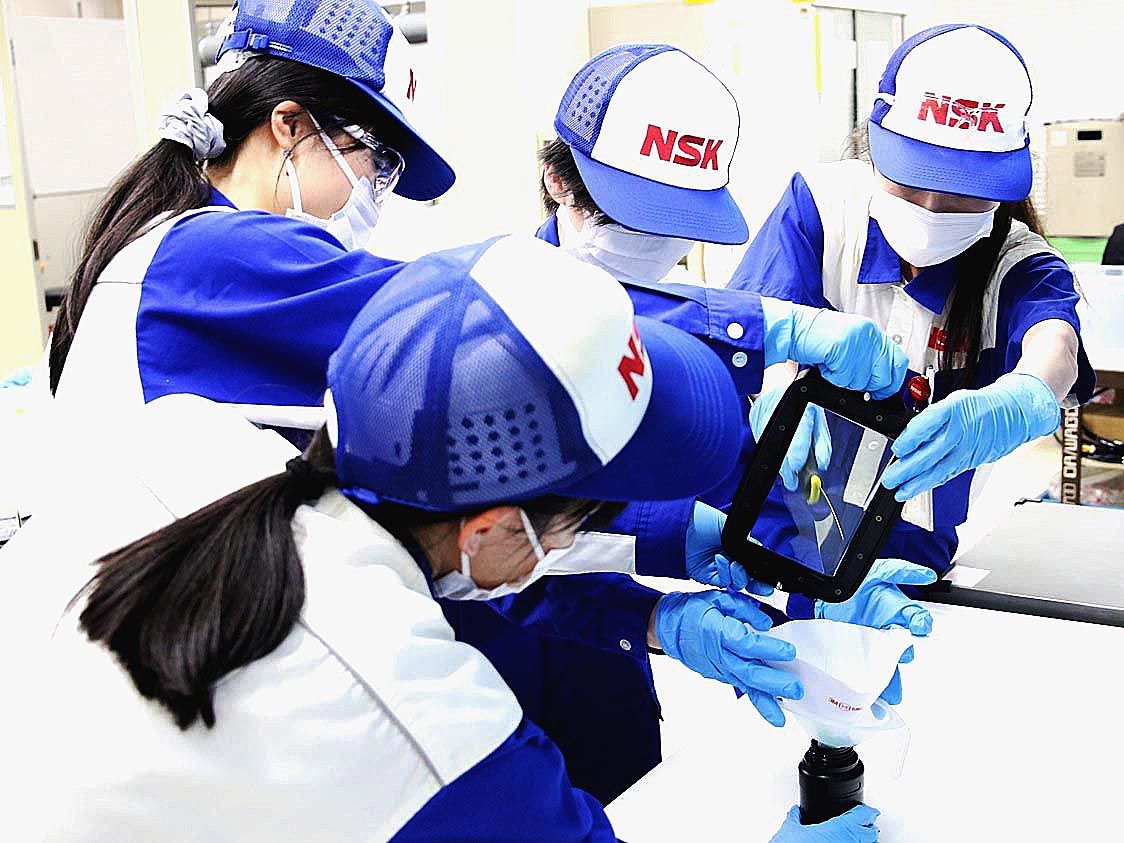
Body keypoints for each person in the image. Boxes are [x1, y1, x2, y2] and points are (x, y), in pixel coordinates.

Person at [1, 236, 881, 841]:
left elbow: (436, 570)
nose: (586, 536)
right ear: (491, 528)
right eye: (587, 519)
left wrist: (653, 609)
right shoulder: (435, 733)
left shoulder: (182, 440)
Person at [443, 44, 934, 804]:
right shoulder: (462, 318)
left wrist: (827, 577)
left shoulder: (690, 351)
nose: (652, 247)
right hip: (475, 677)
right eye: (628, 215)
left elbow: (750, 491)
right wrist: (661, 593)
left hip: (606, 672)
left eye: (674, 224)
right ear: (558, 180)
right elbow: (470, 549)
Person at [730, 24, 1096, 614]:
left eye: (960, 194)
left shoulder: (1017, 263)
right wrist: (773, 386)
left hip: (909, 539)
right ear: (874, 148)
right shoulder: (822, 208)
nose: (931, 209)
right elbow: (755, 321)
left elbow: (1054, 344)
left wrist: (1026, 395)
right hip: (776, 509)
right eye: (913, 182)